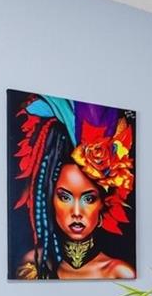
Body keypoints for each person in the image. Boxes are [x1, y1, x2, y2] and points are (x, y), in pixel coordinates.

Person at [11, 94, 135, 279]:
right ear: (50, 199)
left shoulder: (119, 273)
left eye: (89, 198)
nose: (77, 212)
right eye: (65, 197)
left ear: (103, 204)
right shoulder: (32, 265)